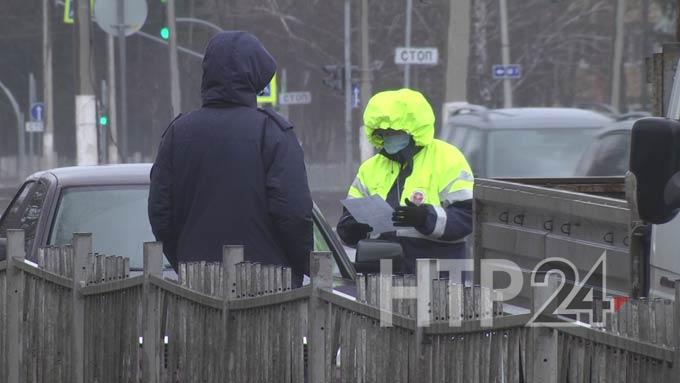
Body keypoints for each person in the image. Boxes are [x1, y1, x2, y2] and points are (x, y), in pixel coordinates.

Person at [148, 31, 313, 285]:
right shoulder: (272, 133)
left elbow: (161, 214)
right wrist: (300, 266)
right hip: (267, 288)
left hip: (198, 287)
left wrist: (185, 261)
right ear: (256, 77)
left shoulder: (177, 133)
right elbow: (293, 213)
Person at [337, 88, 473, 274]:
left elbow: (467, 217)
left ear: (413, 130)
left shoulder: (448, 159)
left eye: (393, 132)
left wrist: (425, 218)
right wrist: (353, 228)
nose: (387, 137)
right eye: (383, 133)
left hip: (439, 280)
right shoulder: (369, 169)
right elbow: (346, 224)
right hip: (381, 280)